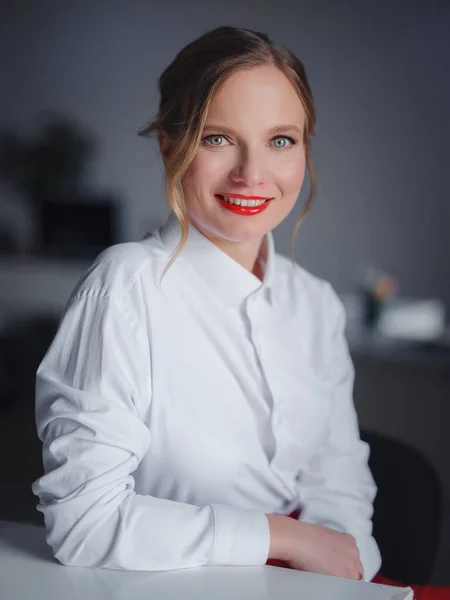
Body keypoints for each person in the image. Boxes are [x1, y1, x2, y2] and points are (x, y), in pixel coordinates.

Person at [32, 26, 380, 582]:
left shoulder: (316, 303)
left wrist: (344, 571)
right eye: (218, 138)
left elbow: (338, 481)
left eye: (281, 140)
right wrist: (285, 537)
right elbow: (84, 523)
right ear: (171, 144)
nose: (251, 173)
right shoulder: (124, 287)